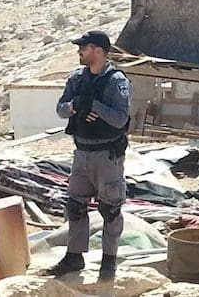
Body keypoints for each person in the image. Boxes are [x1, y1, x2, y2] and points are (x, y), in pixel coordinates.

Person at [43, 30, 131, 281]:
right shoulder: (77, 78)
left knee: (111, 209)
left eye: (85, 47)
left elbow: (120, 118)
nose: (80, 52)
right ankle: (74, 256)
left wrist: (94, 106)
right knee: (75, 206)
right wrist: (75, 106)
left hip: (107, 155)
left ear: (99, 51)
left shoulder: (116, 81)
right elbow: (61, 109)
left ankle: (108, 261)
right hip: (82, 152)